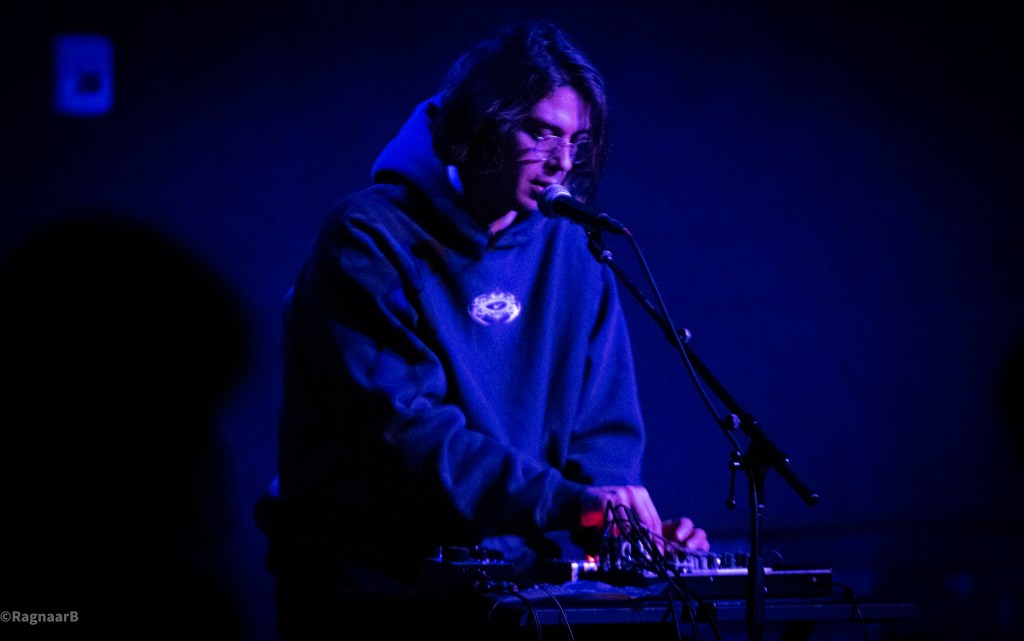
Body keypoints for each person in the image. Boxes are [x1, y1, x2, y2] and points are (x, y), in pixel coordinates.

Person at [255, 19, 708, 639]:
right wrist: (572, 504)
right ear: (483, 124)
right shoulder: (368, 237)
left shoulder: (575, 250)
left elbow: (603, 435)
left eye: (576, 141)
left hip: (516, 592)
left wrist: (625, 526)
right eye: (542, 133)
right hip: (371, 592)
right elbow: (404, 434)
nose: (563, 162)